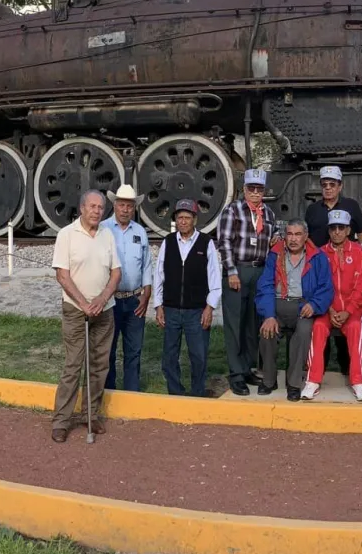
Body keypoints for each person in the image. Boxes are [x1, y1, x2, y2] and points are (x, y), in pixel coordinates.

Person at [50, 190, 121, 443]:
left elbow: (116, 273)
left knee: (100, 365)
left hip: (104, 309)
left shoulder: (107, 235)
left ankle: (91, 415)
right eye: (92, 206)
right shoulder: (66, 235)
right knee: (73, 365)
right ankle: (61, 420)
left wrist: (101, 299)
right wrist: (84, 303)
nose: (96, 211)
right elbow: (62, 275)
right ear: (82, 208)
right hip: (75, 310)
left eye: (100, 208)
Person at [215, 168, 278, 396]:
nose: (255, 192)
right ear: (244, 190)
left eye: (259, 189)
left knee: (253, 324)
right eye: (251, 188)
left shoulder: (269, 214)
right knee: (235, 325)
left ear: (263, 191)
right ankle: (235, 374)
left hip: (259, 272)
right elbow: (224, 242)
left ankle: (247, 367)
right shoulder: (232, 210)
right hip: (239, 271)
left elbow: (273, 240)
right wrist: (231, 272)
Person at [151, 199, 222, 398]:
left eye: (187, 218)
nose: (183, 221)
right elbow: (159, 275)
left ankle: (198, 393)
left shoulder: (205, 243)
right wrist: (158, 305)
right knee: (169, 356)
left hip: (197, 310)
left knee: (198, 356)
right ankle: (175, 392)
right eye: (180, 217)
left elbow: (214, 278)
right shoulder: (168, 242)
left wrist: (210, 307)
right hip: (171, 309)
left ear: (194, 220)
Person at [256, 219, 334, 400]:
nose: (293, 239)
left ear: (305, 236)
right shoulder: (275, 254)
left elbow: (326, 287)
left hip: (302, 306)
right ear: (284, 236)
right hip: (277, 303)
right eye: (289, 234)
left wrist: (314, 304)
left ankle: (293, 383)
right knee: (267, 332)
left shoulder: (317, 256)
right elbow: (265, 286)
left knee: (304, 332)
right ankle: (268, 380)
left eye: (298, 234)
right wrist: (268, 314)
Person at [305, 210, 362, 402]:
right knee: (317, 328)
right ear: (329, 230)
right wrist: (329, 309)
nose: (337, 232)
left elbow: (360, 288)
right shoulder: (320, 254)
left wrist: (348, 311)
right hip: (328, 309)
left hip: (351, 311)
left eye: (341, 228)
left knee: (355, 329)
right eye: (333, 228)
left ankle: (358, 382)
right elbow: (317, 286)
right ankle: (313, 381)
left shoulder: (359, 251)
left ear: (348, 230)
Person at [100, 184, 152, 392]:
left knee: (134, 350)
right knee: (108, 350)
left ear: (134, 208)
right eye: (121, 205)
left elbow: (147, 263)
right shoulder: (102, 229)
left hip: (134, 300)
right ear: (114, 205)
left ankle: (132, 393)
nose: (125, 209)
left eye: (129, 206)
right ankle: (108, 391)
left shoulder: (140, 232)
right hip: (110, 300)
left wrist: (147, 292)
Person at [305, 165, 362, 246]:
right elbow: (306, 236)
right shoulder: (312, 209)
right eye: (324, 185)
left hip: (346, 256)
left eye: (332, 184)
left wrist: (361, 252)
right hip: (318, 257)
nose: (328, 188)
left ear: (340, 186)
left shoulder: (352, 205)